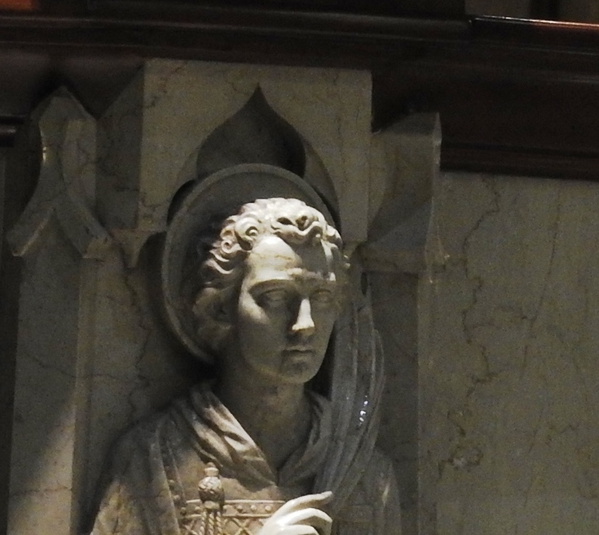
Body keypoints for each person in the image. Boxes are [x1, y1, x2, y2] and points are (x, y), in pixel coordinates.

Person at [90, 197, 400, 535]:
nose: (305, 324)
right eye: (275, 297)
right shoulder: (152, 460)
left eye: (322, 298)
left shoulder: (363, 471)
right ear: (222, 306)